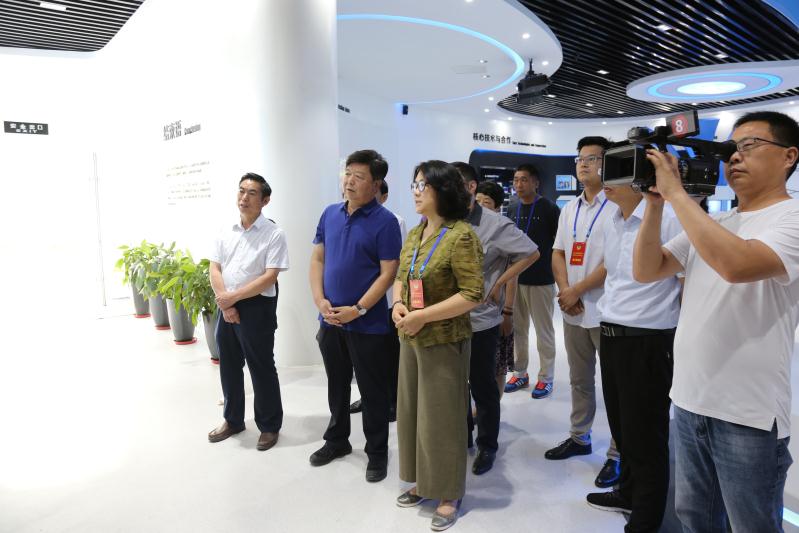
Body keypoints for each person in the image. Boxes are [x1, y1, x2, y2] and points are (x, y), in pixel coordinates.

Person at [633, 110, 799, 532]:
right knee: (696, 519)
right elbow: (648, 269)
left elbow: (737, 265)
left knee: (753, 526)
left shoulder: (792, 218)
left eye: (749, 146)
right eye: (730, 150)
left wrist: (677, 194)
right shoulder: (717, 222)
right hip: (690, 400)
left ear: (789, 156)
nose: (734, 157)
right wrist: (655, 205)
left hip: (748, 413)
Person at [585, 182, 682, 532]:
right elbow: (613, 277)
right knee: (622, 429)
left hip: (649, 339)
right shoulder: (612, 219)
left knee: (646, 436)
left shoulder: (668, 217)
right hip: (613, 335)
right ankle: (627, 493)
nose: (607, 179)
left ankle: (645, 520)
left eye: (619, 168)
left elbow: (684, 280)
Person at [392, 160, 483, 531]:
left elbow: (472, 293)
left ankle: (448, 492)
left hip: (445, 340)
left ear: (442, 190)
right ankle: (423, 481)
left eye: (422, 186)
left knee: (442, 418)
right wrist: (397, 305)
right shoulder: (416, 233)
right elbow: (401, 277)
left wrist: (423, 316)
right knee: (413, 414)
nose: (415, 192)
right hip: (411, 336)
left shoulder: (461, 236)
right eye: (413, 185)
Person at [309, 149, 402, 483]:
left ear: (376, 184)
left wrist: (359, 308)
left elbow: (388, 273)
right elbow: (318, 259)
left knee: (373, 392)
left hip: (368, 324)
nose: (349, 181)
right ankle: (337, 440)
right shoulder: (329, 214)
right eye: (347, 173)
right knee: (336, 386)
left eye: (358, 176)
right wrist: (320, 301)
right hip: (330, 319)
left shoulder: (386, 222)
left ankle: (376, 452)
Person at [453, 162, 539, 476]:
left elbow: (531, 252)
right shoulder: (444, 219)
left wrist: (501, 282)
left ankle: (487, 444)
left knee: (483, 385)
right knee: (454, 386)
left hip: (480, 320)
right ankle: (462, 436)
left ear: (471, 187)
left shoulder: (495, 224)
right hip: (447, 320)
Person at [547, 137, 620, 489]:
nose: (584, 164)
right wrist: (566, 289)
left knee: (617, 386)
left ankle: (618, 453)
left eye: (593, 158)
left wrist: (577, 289)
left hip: (607, 311)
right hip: (573, 310)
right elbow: (558, 252)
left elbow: (615, 260)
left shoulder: (619, 205)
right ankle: (580, 436)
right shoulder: (569, 208)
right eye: (580, 159)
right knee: (579, 380)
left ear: (609, 163)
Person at [207, 173, 289, 452]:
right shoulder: (226, 229)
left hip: (257, 307)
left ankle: (269, 425)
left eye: (252, 193)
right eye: (241, 191)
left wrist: (234, 298)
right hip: (227, 303)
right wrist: (227, 303)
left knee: (260, 365)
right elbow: (215, 267)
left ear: (265, 200)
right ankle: (233, 420)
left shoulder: (273, 233)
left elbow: (270, 276)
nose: (244, 197)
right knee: (229, 364)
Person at [350, 180, 408, 421]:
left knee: (389, 354)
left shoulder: (393, 221)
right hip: (358, 300)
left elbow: (397, 263)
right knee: (364, 358)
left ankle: (393, 401)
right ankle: (368, 397)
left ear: (383, 197)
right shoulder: (350, 218)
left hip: (385, 301)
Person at [504, 164, 560, 398]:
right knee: (518, 330)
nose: (519, 184)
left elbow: (559, 245)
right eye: (516, 180)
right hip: (515, 280)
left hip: (541, 279)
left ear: (536, 183)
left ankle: (546, 378)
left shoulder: (549, 208)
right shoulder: (512, 207)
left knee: (544, 332)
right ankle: (520, 373)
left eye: (524, 180)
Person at [476, 181, 518, 396]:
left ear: (497, 207)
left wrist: (508, 312)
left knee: (498, 362)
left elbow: (513, 275)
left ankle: (495, 403)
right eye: (477, 201)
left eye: (487, 202)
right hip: (474, 312)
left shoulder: (503, 230)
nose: (480, 206)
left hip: (496, 309)